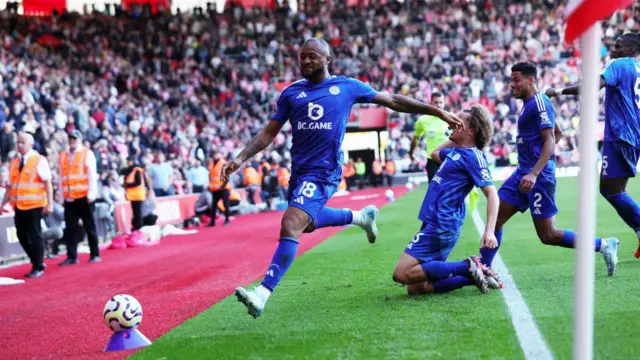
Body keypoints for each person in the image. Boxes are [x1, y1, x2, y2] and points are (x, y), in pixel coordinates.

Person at [222, 38, 463, 318]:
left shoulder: (347, 87)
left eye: (312, 56)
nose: (306, 61)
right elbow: (268, 133)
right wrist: (240, 157)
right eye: (302, 57)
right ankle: (361, 217)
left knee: (291, 223)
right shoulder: (290, 94)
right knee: (307, 224)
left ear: (328, 59)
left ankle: (262, 294)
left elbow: (393, 100)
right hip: (300, 171)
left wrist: (438, 111)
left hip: (324, 171)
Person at [485, 62, 618, 277]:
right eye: (511, 80)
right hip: (523, 173)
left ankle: (603, 244)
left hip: (537, 178)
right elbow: (558, 133)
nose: (511, 85)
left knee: (548, 235)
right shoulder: (532, 103)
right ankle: (484, 268)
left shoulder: (539, 103)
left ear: (531, 80)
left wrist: (536, 171)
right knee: (495, 219)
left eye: (516, 80)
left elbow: (550, 140)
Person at [546, 33, 640, 258]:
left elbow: (591, 87)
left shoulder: (618, 64)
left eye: (618, 46)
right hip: (634, 135)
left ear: (631, 49)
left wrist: (558, 92)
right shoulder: (637, 68)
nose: (613, 50)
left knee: (611, 190)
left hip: (620, 134)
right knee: (615, 190)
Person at [392, 105, 501, 295]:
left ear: (472, 129)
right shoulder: (454, 153)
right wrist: (456, 137)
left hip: (442, 224)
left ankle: (468, 265)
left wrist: (489, 231)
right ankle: (471, 275)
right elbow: (434, 153)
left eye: (457, 121)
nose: (451, 123)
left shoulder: (474, 156)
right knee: (417, 287)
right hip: (434, 222)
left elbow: (492, 193)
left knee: (401, 273)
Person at [0, 132, 54, 278]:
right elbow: (10, 188)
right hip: (19, 205)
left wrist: (50, 203)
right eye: (18, 142)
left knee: (34, 235)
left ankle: (38, 265)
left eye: (22, 142)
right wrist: (2, 205)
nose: (19, 145)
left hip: (34, 205)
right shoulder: (14, 162)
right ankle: (38, 260)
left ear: (30, 144)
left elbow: (47, 183)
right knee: (21, 235)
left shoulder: (38, 160)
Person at [58, 130, 101, 266]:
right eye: (70, 138)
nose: (72, 140)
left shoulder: (86, 153)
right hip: (69, 197)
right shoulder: (64, 156)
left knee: (89, 226)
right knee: (71, 227)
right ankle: (72, 256)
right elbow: (61, 177)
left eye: (74, 138)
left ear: (80, 139)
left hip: (84, 196)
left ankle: (95, 253)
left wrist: (92, 193)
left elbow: (92, 175)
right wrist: (61, 195)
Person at [408, 92, 450, 181]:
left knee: (451, 191)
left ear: (444, 103)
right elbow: (416, 138)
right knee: (434, 191)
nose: (438, 105)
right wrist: (411, 152)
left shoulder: (451, 118)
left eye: (440, 102)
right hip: (432, 161)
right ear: (431, 103)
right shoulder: (423, 120)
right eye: (436, 102)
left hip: (449, 159)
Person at [121, 156, 148, 232]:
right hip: (133, 195)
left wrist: (127, 185)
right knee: (136, 213)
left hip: (138, 194)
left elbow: (138, 182)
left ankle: (139, 229)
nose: (128, 162)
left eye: (129, 161)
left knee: (138, 213)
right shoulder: (130, 170)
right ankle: (136, 228)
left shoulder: (136, 170)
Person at [208, 152, 231, 226]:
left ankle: (227, 219)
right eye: (214, 154)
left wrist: (223, 185)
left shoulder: (223, 163)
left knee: (226, 204)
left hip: (223, 188)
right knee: (213, 206)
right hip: (214, 188)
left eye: (216, 154)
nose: (215, 156)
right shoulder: (211, 164)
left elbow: (227, 175)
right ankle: (212, 222)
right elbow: (210, 176)